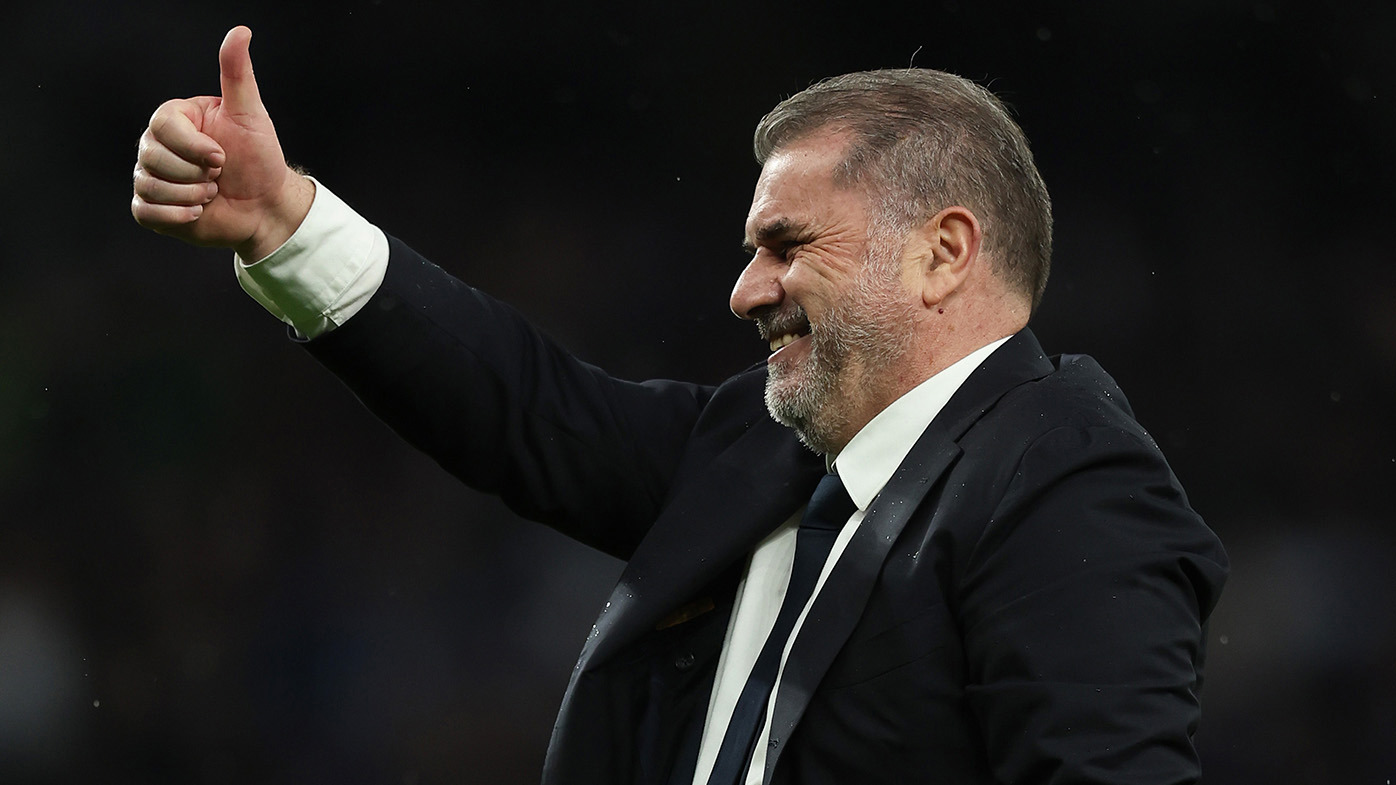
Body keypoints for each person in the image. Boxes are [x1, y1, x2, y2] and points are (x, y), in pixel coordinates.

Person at [132, 26, 1228, 785]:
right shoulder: (761, 452)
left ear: (943, 252)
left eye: (787, 245)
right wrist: (283, 220)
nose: (745, 289)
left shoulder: (1064, 475)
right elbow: (522, 405)